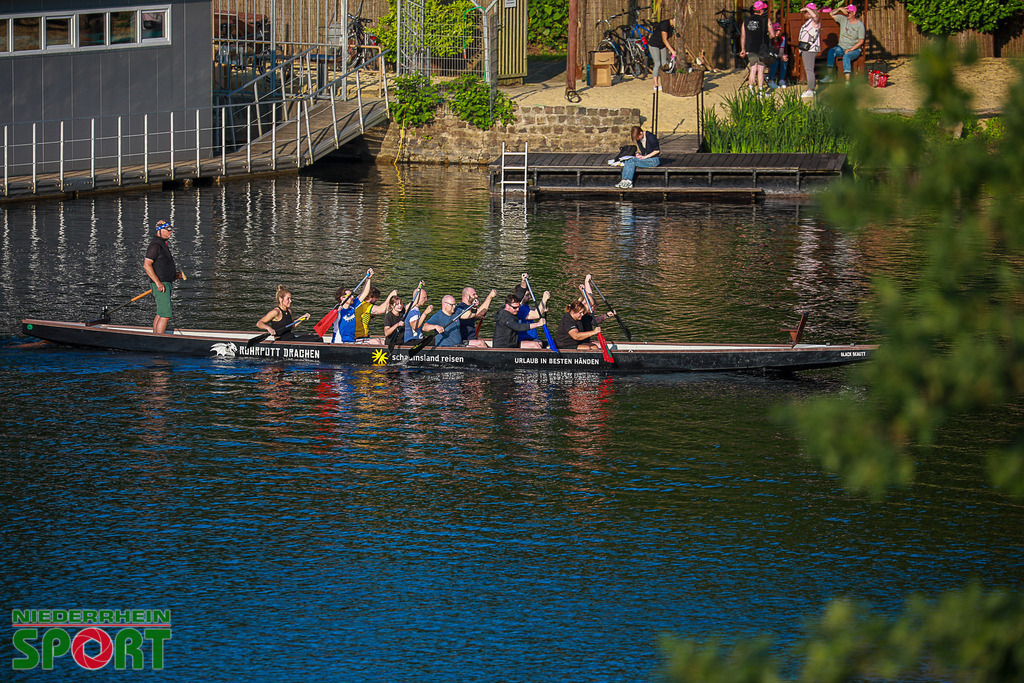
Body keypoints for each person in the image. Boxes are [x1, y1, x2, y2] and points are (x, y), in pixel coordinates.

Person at [143, 219, 176, 334]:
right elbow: (147, 265)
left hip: (165, 283)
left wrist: (175, 275)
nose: (171, 232)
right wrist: (158, 283)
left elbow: (162, 265)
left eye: (171, 230)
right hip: (161, 285)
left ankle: (155, 336)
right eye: (168, 230)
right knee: (165, 314)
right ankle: (159, 339)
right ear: (160, 231)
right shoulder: (155, 245)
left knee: (160, 312)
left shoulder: (163, 244)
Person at [740, 0, 777, 93]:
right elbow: (773, 35)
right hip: (762, 48)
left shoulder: (746, 21)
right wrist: (766, 34)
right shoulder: (766, 20)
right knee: (761, 70)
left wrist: (743, 49)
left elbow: (743, 36)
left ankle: (751, 90)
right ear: (761, 10)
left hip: (750, 48)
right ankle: (760, 91)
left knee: (753, 69)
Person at [331, 268, 375, 343]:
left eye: (352, 295)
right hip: (341, 343)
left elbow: (364, 293)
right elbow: (327, 321)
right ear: (342, 298)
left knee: (377, 341)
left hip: (352, 342)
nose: (352, 297)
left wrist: (368, 278)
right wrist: (336, 311)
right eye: (350, 295)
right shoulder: (337, 311)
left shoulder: (353, 306)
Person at [823, 4, 864, 84]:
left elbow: (861, 41)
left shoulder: (860, 25)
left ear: (854, 13)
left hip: (854, 49)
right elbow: (831, 14)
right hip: (841, 47)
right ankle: (829, 76)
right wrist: (840, 8)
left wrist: (850, 49)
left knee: (846, 56)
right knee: (831, 51)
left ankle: (847, 81)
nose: (847, 14)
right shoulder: (843, 19)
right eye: (846, 12)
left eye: (849, 12)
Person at [614, 125, 660, 190]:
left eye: (638, 137)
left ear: (641, 132)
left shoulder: (651, 137)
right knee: (629, 160)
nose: (637, 139)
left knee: (632, 161)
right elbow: (644, 151)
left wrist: (645, 157)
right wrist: (639, 155)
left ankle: (629, 181)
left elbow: (657, 151)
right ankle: (624, 180)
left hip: (653, 160)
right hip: (646, 158)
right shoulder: (639, 139)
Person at [511, 274, 552, 347]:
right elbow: (537, 314)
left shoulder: (525, 305)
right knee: (537, 345)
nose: (529, 297)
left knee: (543, 343)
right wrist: (544, 299)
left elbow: (532, 309)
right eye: (527, 295)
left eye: (530, 295)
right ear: (522, 295)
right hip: (522, 339)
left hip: (532, 338)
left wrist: (543, 309)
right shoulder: (518, 309)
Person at [797, 3, 822, 98]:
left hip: (810, 49)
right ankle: (810, 89)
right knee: (808, 68)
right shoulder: (809, 21)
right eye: (807, 11)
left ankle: (810, 89)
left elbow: (816, 17)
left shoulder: (815, 21)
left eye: (809, 11)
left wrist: (808, 9)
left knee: (809, 69)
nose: (807, 13)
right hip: (805, 48)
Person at [648, 16, 678, 93]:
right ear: (673, 19)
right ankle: (656, 84)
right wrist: (672, 50)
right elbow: (664, 39)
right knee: (658, 63)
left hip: (662, 45)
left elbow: (675, 37)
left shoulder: (672, 27)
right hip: (654, 44)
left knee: (665, 63)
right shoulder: (665, 25)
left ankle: (665, 82)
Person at [767, 22, 789, 88]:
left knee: (784, 60)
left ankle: (781, 79)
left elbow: (781, 51)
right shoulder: (768, 39)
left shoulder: (782, 39)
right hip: (769, 55)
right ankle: (770, 81)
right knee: (775, 60)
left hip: (777, 55)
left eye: (779, 30)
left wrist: (783, 56)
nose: (778, 32)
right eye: (776, 30)